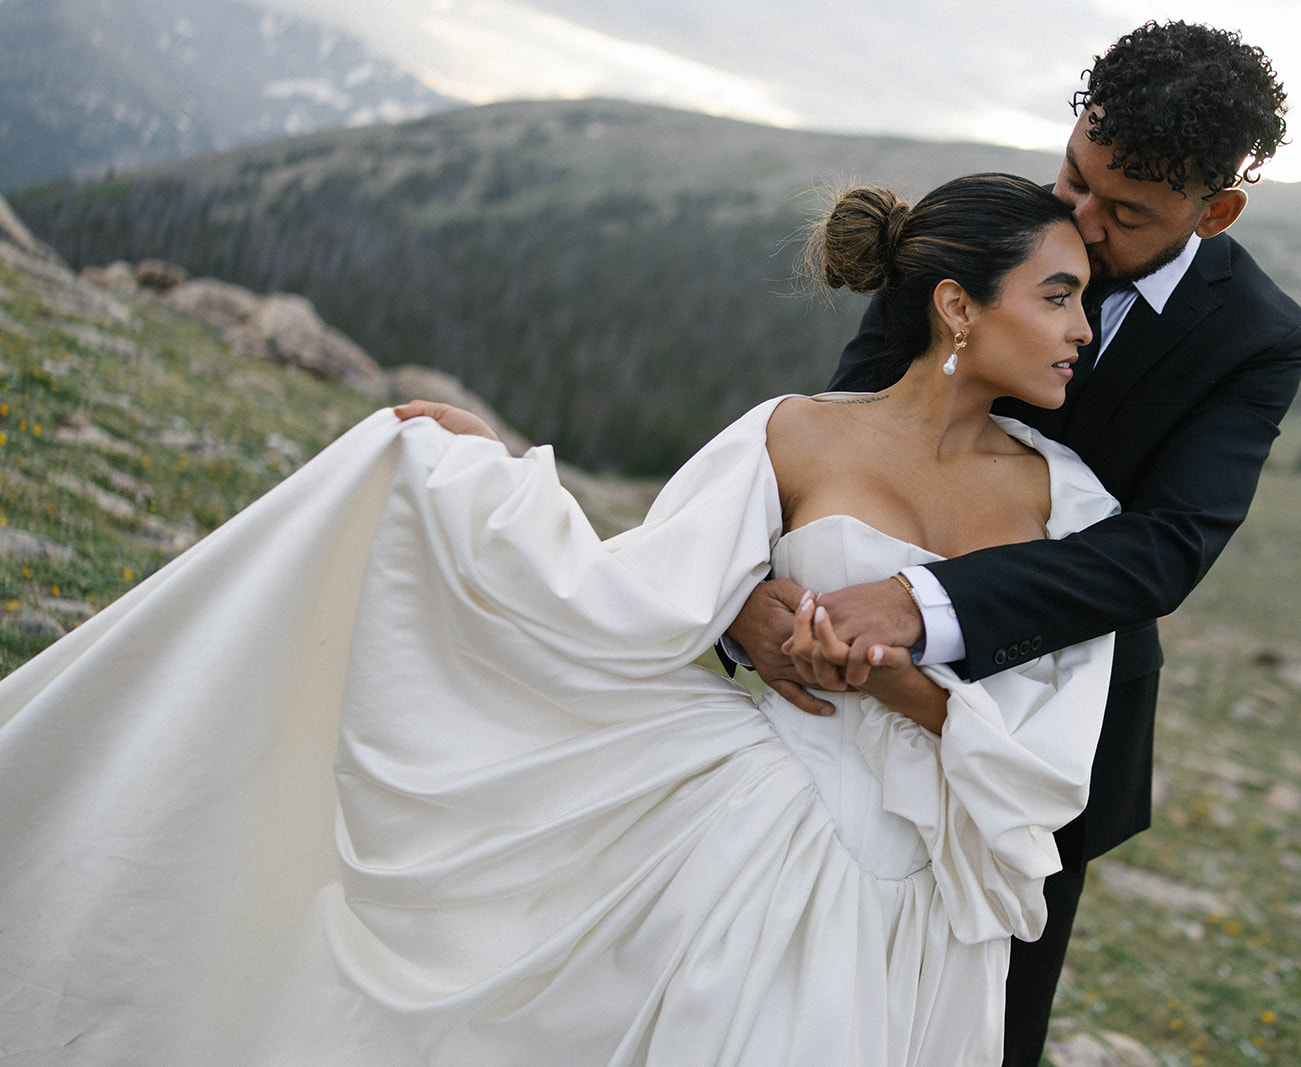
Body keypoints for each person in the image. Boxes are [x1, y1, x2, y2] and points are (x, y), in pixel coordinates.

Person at [1, 174, 1123, 1065]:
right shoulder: (794, 433)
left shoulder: (1075, 507)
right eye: (1061, 293)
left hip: (927, 909)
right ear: (957, 304)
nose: (1085, 327)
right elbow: (631, 594)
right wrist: (478, 475)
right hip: (747, 839)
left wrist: (895, 678)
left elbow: (1048, 759)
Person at [725, 22, 1301, 1065]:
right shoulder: (999, 232)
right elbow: (851, 418)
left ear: (1213, 211)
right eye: (1073, 176)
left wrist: (923, 604)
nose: (1079, 225)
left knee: (984, 1033)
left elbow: (1164, 548)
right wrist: (745, 594)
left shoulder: (1258, 336)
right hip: (821, 722)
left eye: (1124, 212)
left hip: (1045, 734)